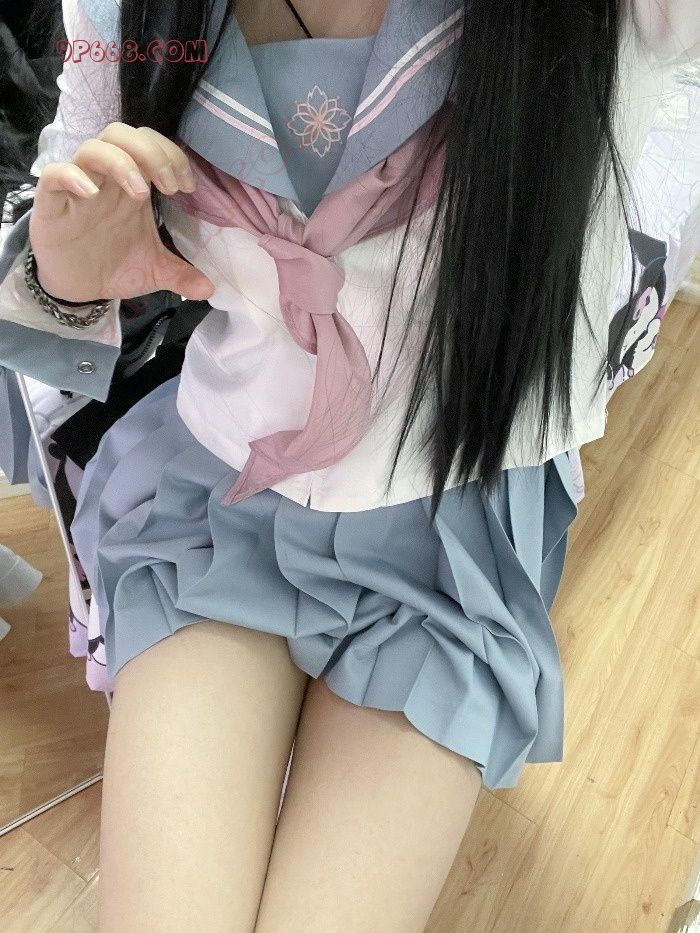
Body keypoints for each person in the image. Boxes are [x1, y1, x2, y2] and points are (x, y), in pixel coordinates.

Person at [0, 0, 698, 929]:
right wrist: (64, 270)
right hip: (218, 505)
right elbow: (66, 219)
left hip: (445, 546)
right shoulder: (131, 13)